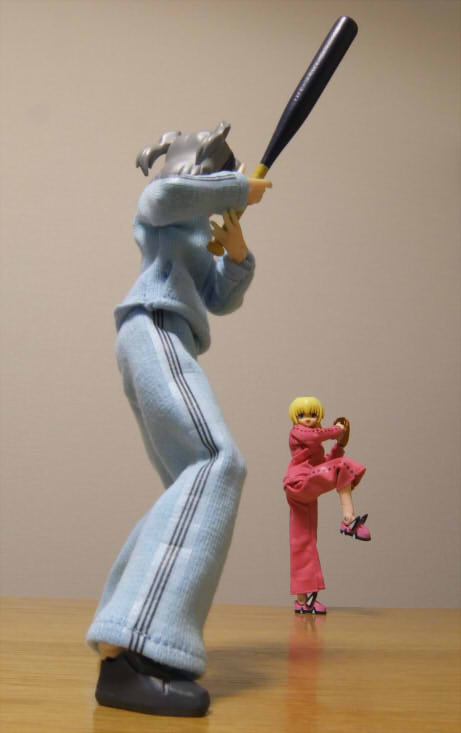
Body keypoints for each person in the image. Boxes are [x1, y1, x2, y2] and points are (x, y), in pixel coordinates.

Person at [86, 122, 271, 717]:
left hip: (170, 335)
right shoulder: (164, 208)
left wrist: (236, 250)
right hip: (154, 326)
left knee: (189, 485)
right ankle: (140, 645)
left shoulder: (193, 226)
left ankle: (125, 638)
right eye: (220, 171)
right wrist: (238, 189)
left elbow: (219, 297)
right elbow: (162, 197)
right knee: (218, 463)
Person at [283, 396, 370, 615]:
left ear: (319, 416)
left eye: (313, 415)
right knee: (342, 467)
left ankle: (303, 600)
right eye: (302, 415)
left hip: (306, 492)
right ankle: (348, 519)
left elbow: (325, 465)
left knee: (303, 541)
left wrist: (340, 445)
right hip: (298, 483)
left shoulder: (315, 446)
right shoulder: (298, 432)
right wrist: (337, 430)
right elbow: (315, 436)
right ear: (294, 418)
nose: (308, 419)